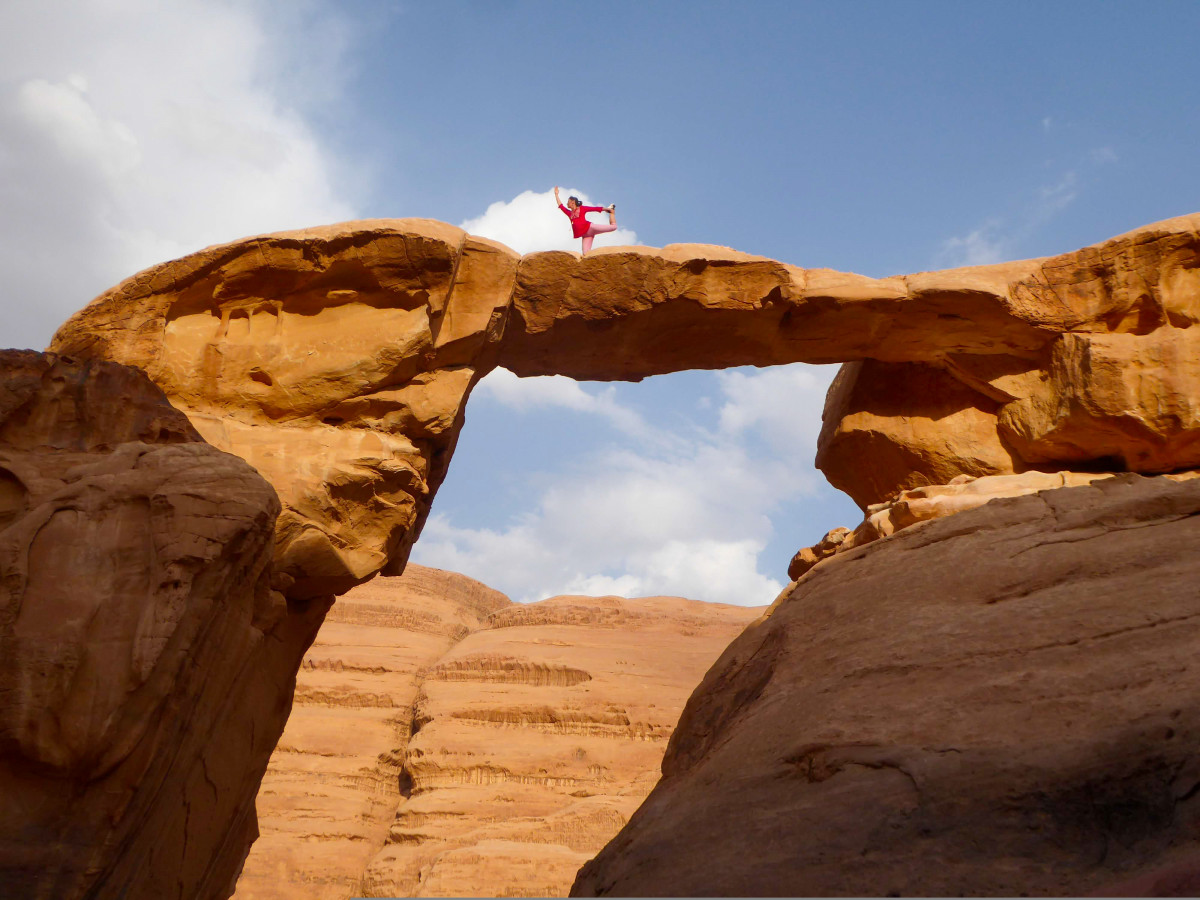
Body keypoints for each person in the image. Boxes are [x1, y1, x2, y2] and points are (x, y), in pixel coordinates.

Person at [554, 186, 617, 255]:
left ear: (572, 202)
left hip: (590, 228)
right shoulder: (569, 213)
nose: (567, 203)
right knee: (585, 254)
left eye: (568, 202)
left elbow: (594, 209)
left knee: (613, 227)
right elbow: (561, 206)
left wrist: (606, 209)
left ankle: (612, 212)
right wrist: (556, 194)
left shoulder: (582, 208)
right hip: (586, 235)